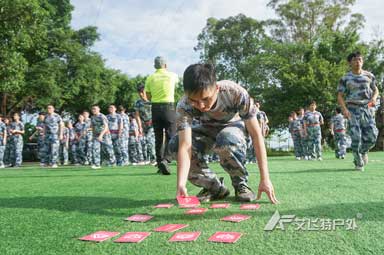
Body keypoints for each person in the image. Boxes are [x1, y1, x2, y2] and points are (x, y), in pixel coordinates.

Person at [169, 63, 278, 203]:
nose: (201, 106)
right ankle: (214, 188)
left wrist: (265, 179)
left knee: (226, 139)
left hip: (233, 128)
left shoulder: (235, 93)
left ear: (217, 89)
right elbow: (185, 146)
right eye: (194, 101)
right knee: (175, 145)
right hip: (205, 130)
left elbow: (256, 136)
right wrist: (181, 184)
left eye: (205, 99)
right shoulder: (183, 106)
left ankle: (241, 184)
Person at [337, 51, 379, 171]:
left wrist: (374, 98)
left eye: (360, 59)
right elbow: (340, 96)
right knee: (355, 137)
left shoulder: (369, 76)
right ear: (350, 63)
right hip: (352, 109)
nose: (358, 62)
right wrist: (344, 109)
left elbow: (376, 90)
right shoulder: (345, 78)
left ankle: (363, 151)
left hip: (367, 109)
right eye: (355, 60)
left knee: (372, 137)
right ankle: (358, 162)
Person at [145, 56, 178, 174]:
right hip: (168, 107)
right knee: (171, 134)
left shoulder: (150, 77)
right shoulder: (172, 75)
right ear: (165, 65)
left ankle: (160, 164)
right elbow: (176, 86)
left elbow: (148, 96)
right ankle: (166, 159)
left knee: (158, 137)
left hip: (155, 108)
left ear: (155, 66)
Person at [134, 84, 156, 165]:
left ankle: (154, 159)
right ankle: (148, 158)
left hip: (153, 124)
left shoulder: (152, 101)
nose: (141, 94)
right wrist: (139, 127)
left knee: (149, 139)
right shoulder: (138, 103)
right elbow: (137, 115)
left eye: (142, 92)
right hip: (144, 125)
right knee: (146, 141)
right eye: (139, 92)